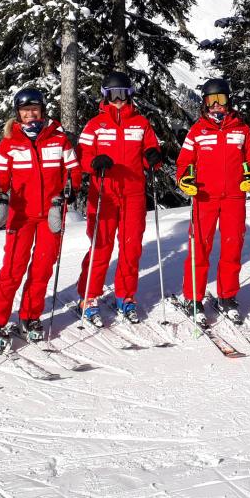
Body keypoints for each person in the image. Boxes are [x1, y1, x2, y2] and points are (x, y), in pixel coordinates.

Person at [0, 88, 82, 347]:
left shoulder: (59, 140)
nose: (30, 114)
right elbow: (0, 175)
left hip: (51, 212)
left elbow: (73, 171)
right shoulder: (9, 143)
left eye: (35, 109)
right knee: (13, 269)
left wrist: (67, 194)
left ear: (43, 110)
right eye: (25, 110)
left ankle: (29, 317)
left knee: (42, 268)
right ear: (18, 113)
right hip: (20, 215)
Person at [75, 72, 162, 325]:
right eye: (112, 95)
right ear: (105, 96)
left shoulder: (141, 123)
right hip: (103, 192)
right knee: (101, 246)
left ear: (129, 95)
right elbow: (82, 156)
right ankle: (88, 295)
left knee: (131, 247)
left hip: (133, 193)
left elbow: (150, 151)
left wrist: (153, 157)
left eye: (122, 94)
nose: (118, 100)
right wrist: (94, 162)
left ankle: (125, 295)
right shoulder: (94, 125)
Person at [175, 78, 250, 324]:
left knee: (232, 248)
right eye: (211, 101)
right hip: (204, 197)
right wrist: (184, 179)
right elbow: (184, 163)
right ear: (204, 103)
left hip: (235, 196)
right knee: (199, 248)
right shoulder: (197, 131)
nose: (216, 106)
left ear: (228, 101)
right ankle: (193, 298)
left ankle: (227, 296)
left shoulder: (242, 130)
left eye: (221, 100)